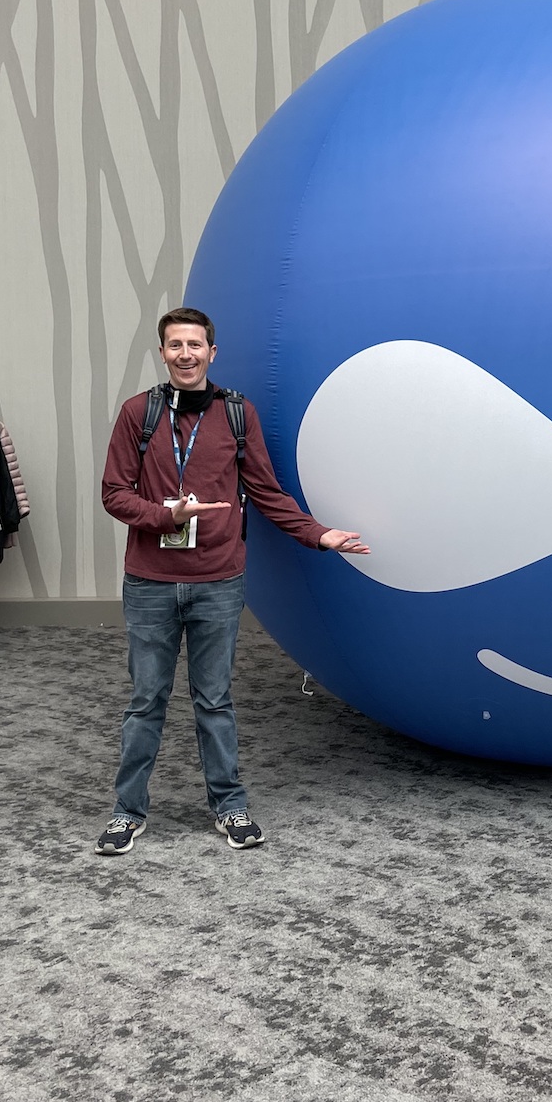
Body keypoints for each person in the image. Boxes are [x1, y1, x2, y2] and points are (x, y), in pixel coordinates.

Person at [96, 306, 367, 854]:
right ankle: (127, 812)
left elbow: (266, 493)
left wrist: (319, 535)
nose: (186, 354)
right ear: (163, 352)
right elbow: (114, 493)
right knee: (146, 700)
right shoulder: (137, 414)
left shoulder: (237, 414)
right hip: (149, 581)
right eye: (175, 345)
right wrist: (164, 517)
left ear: (212, 353)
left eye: (195, 345)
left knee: (213, 699)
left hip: (218, 581)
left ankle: (230, 805)